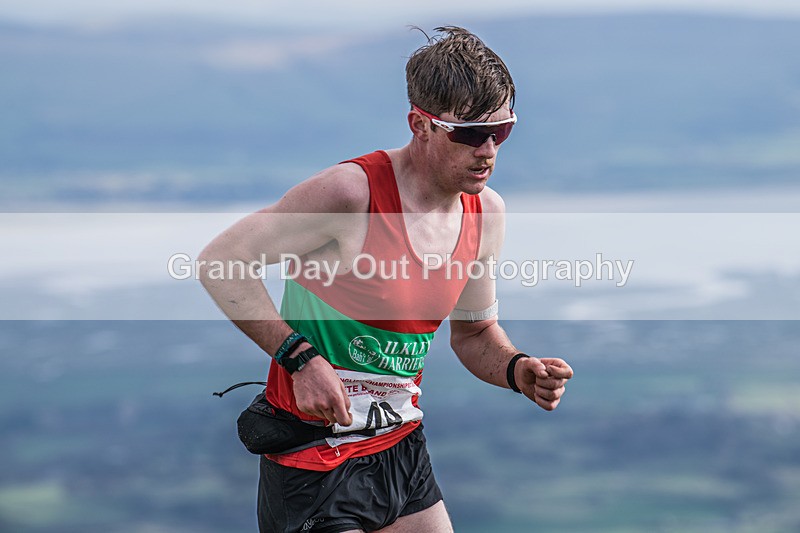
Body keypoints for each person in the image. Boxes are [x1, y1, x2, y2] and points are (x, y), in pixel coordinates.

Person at [199, 26, 573, 533]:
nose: (487, 150)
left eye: (501, 131)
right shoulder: (351, 194)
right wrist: (300, 359)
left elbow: (476, 334)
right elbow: (222, 261)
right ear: (420, 124)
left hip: (400, 451)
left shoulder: (486, 213)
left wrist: (516, 368)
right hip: (313, 461)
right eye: (468, 133)